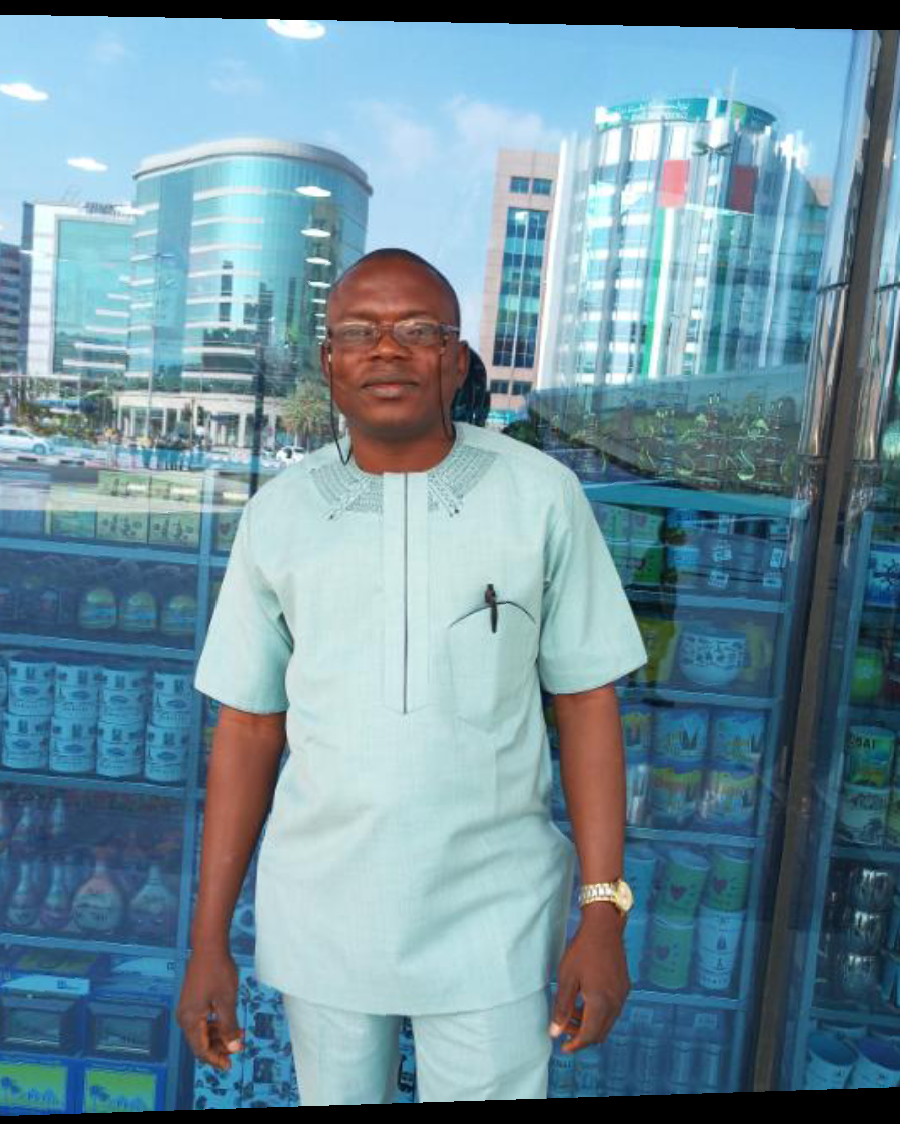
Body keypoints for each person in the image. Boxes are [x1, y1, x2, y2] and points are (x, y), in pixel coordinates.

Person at [179, 248, 647, 1104]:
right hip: (324, 910)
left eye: (417, 330)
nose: (387, 350)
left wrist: (602, 910)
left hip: (495, 913)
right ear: (329, 361)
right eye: (360, 332)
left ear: (456, 360)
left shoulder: (540, 496)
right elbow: (247, 726)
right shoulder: (280, 515)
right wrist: (207, 940)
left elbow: (587, 701)